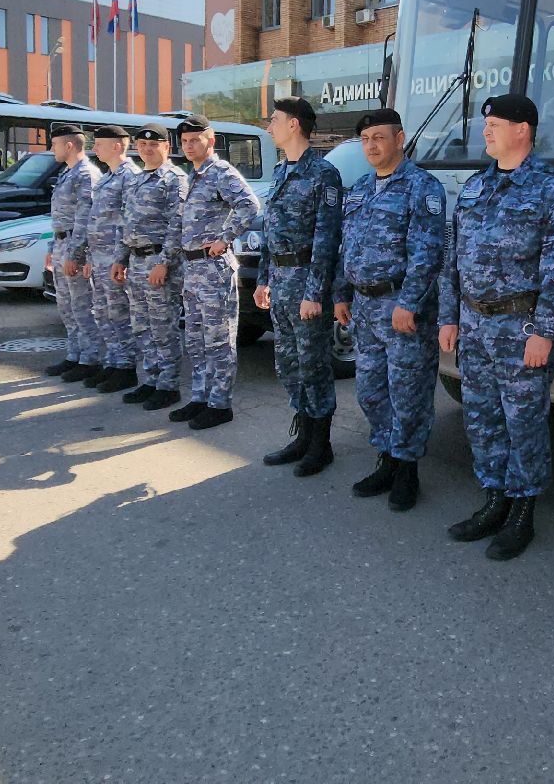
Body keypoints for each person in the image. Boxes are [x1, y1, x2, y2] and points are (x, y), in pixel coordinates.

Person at [437, 94, 554, 561]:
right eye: (486, 124)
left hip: (522, 326)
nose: (486, 131)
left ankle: (523, 511)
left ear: (523, 129)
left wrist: (544, 330)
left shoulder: (552, 188)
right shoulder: (476, 186)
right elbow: (452, 259)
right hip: (475, 323)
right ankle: (493, 499)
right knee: (481, 418)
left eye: (495, 124)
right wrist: (449, 316)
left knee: (524, 423)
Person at [332, 108, 445, 511]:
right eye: (365, 139)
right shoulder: (360, 187)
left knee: (408, 393)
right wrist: (341, 294)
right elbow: (348, 245)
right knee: (370, 390)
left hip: (400, 308)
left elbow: (428, 253)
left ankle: (407, 469)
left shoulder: (422, 187)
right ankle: (386, 457)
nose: (371, 145)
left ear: (400, 139)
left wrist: (409, 302)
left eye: (379, 137)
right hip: (363, 308)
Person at [257, 97, 344, 477]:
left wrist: (314, 294)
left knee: (314, 365)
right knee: (289, 364)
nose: (269, 126)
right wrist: (262, 279)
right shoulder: (280, 170)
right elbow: (269, 233)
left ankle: (320, 444)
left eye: (274, 120)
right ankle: (302, 434)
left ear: (294, 125)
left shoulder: (323, 173)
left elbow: (327, 239)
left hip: (307, 283)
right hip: (279, 280)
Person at [170, 114, 261, 429]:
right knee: (195, 339)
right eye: (184, 141)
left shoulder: (221, 172)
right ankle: (200, 398)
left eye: (195, 140)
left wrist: (225, 238)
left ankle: (220, 404)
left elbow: (250, 205)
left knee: (218, 339)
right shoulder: (194, 175)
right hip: (192, 269)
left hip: (213, 269)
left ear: (210, 140)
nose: (189, 146)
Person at [113, 123, 186, 411]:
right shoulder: (136, 179)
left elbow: (176, 225)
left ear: (166, 147)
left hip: (157, 262)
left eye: (153, 144)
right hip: (136, 261)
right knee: (141, 325)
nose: (146, 149)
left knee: (162, 326)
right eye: (142, 145)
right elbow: (126, 223)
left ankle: (168, 386)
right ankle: (152, 379)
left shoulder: (174, 179)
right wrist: (120, 258)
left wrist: (163, 262)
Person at [84, 124, 141, 393]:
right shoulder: (109, 176)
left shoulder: (130, 176)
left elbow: (131, 221)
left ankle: (126, 367)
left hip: (115, 257)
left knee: (119, 313)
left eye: (99, 143)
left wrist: (123, 258)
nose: (94, 148)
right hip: (99, 256)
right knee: (104, 312)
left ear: (117, 146)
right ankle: (113, 362)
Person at [43, 124, 102, 381]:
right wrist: (51, 247)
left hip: (73, 247)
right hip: (61, 244)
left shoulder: (86, 174)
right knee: (66, 306)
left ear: (69, 145)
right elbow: (60, 218)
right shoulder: (69, 173)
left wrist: (76, 254)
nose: (51, 149)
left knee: (82, 306)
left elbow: (85, 219)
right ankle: (75, 355)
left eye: (54, 144)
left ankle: (91, 359)